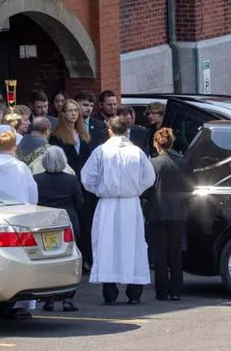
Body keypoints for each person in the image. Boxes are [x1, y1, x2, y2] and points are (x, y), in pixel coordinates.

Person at [80, 115, 155, 305]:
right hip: (130, 203)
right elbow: (149, 178)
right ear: (127, 131)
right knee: (133, 245)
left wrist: (99, 190)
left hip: (109, 203)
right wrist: (136, 190)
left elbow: (87, 177)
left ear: (109, 130)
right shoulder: (137, 152)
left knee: (108, 245)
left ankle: (110, 293)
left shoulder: (101, 151)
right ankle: (134, 293)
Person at [0, 131, 38, 320]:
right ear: (15, 146)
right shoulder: (21, 168)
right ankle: (23, 302)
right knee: (23, 258)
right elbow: (32, 192)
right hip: (19, 218)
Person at [34, 146, 84, 312]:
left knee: (47, 262)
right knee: (69, 262)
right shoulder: (71, 180)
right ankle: (67, 299)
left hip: (45, 222)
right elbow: (80, 202)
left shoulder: (37, 179)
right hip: (67, 221)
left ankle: (48, 298)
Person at [145, 127, 190, 301]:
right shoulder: (182, 162)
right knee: (176, 251)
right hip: (178, 210)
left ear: (156, 144)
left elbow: (147, 189)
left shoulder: (153, 164)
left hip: (157, 210)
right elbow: (189, 187)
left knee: (160, 252)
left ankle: (162, 291)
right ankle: (176, 290)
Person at [52, 99, 95, 271]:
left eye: (75, 111)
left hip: (85, 183)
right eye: (69, 110)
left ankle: (88, 258)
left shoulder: (83, 134)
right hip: (69, 181)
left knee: (87, 221)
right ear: (63, 113)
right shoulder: (57, 135)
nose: (73, 114)